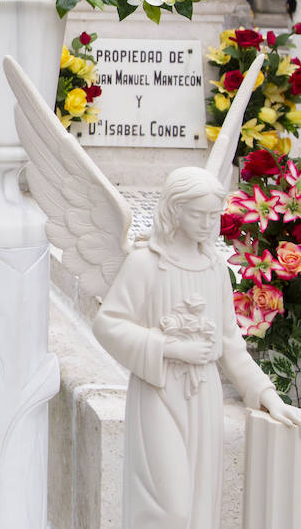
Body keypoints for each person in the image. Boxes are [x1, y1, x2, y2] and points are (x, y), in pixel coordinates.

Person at [92, 167, 301, 529]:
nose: (207, 224)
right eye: (198, 214)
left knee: (198, 506)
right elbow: (108, 324)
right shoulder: (146, 263)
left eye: (213, 215)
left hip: (204, 397)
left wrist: (267, 394)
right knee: (167, 508)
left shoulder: (214, 268)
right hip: (158, 393)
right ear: (175, 211)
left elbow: (230, 342)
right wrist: (171, 347)